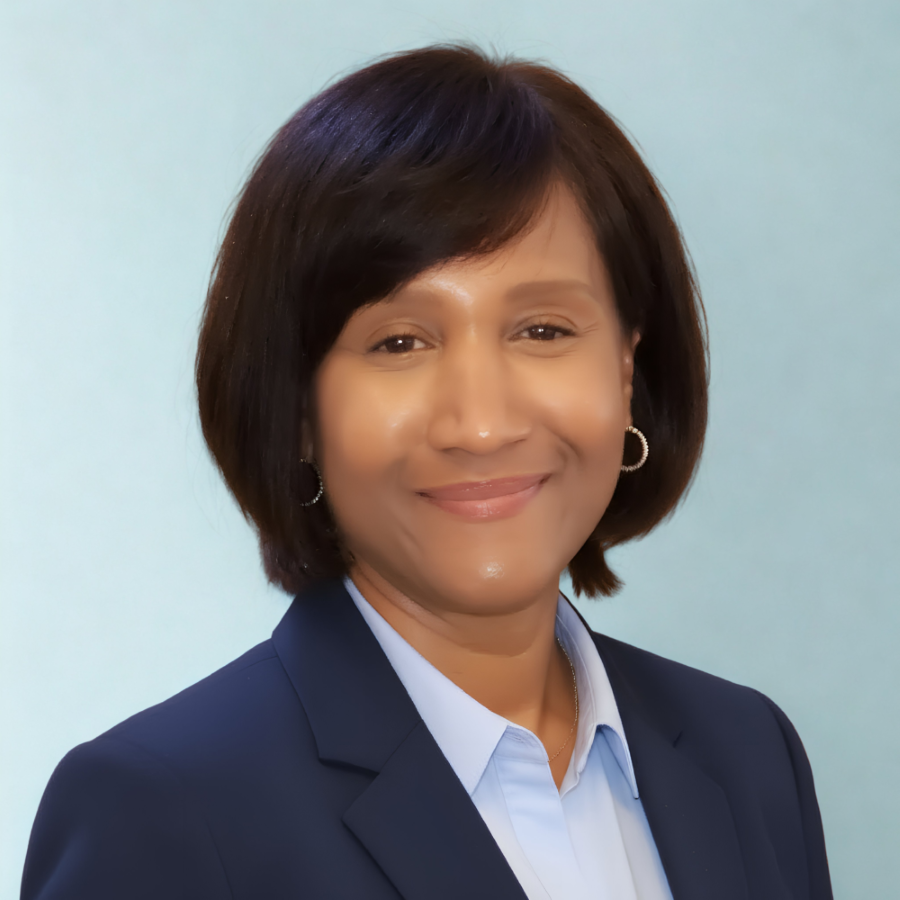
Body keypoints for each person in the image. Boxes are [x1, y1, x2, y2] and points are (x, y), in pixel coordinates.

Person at [20, 45, 832, 900]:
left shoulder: (748, 755)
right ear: (299, 410)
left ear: (626, 372)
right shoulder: (162, 814)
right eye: (398, 342)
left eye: (544, 330)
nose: (480, 425)